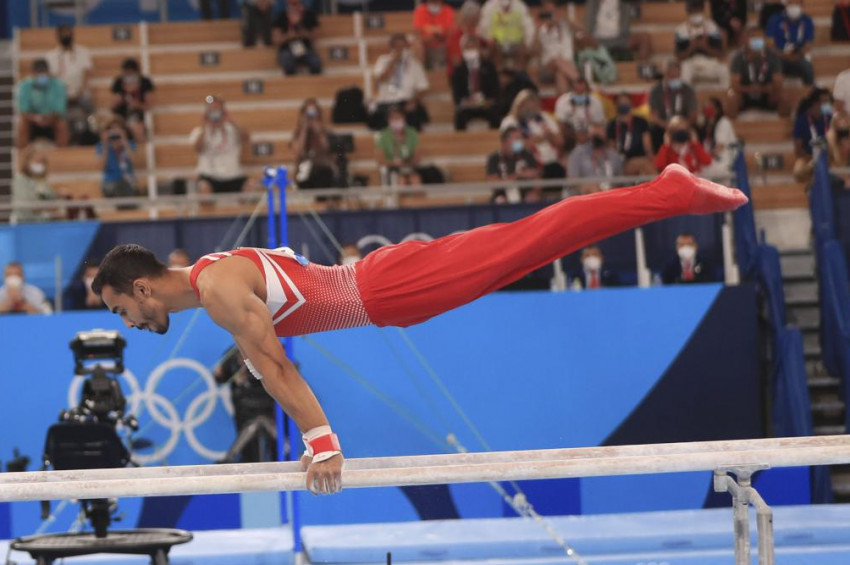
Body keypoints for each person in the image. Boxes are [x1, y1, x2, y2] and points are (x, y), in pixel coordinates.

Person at [90, 165, 748, 494]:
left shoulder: (217, 289)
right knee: (533, 246)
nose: (129, 323)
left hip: (390, 286)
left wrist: (323, 443)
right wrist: (311, 438)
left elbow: (281, 367)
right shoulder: (212, 280)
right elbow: (269, 366)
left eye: (122, 309)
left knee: (539, 236)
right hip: (394, 292)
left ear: (142, 288)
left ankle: (669, 191)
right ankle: (663, 192)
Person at [369, 34, 430, 131]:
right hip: (386, 103)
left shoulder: (415, 64)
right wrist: (393, 61)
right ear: (391, 47)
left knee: (415, 116)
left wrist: (414, 101)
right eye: (397, 46)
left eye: (403, 46)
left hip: (405, 102)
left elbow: (423, 88)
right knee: (377, 119)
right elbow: (381, 79)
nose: (400, 49)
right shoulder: (382, 61)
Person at [190, 96, 250, 194]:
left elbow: (246, 139)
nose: (215, 112)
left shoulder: (233, 130)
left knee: (250, 186)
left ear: (223, 111)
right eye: (212, 110)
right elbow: (198, 148)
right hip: (209, 176)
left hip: (233, 175)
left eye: (217, 109)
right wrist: (205, 126)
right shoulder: (199, 131)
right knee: (203, 188)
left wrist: (232, 121)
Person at [501, 89, 564, 178]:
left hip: (551, 163)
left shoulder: (545, 117)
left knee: (558, 170)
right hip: (524, 164)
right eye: (525, 106)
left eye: (533, 106)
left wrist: (550, 136)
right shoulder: (510, 122)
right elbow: (511, 148)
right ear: (518, 106)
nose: (530, 109)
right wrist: (533, 141)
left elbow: (561, 142)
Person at [726, 26, 787, 118]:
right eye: (754, 38)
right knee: (731, 96)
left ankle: (782, 124)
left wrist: (763, 89)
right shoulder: (738, 57)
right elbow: (734, 84)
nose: (757, 41)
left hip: (766, 95)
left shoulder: (773, 56)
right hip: (745, 94)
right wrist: (750, 89)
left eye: (760, 38)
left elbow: (778, 82)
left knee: (783, 96)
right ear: (747, 40)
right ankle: (731, 124)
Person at [45, 24, 94, 135]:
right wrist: (62, 95)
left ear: (73, 35)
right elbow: (50, 80)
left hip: (80, 96)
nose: (66, 36)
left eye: (68, 33)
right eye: (63, 34)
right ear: (57, 36)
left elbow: (87, 75)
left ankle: (86, 135)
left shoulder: (83, 52)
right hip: (59, 98)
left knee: (87, 112)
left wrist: (78, 93)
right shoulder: (50, 56)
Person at [451, 35, 501, 131]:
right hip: (468, 105)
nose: (471, 50)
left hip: (486, 103)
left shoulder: (489, 67)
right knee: (460, 117)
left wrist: (488, 101)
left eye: (473, 47)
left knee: (495, 114)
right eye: (468, 47)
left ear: (479, 48)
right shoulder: (459, 70)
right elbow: (456, 93)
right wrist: (466, 101)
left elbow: (495, 88)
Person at [675, 0, 729, 88]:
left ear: (702, 11)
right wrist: (691, 48)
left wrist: (705, 47)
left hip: (710, 62)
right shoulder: (681, 30)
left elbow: (720, 54)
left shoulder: (712, 27)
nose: (696, 14)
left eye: (698, 11)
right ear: (688, 12)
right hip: (690, 63)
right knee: (684, 70)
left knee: (724, 70)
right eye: (693, 11)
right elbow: (679, 57)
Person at [17, 58, 69, 149]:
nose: (40, 75)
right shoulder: (25, 86)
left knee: (62, 125)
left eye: (43, 72)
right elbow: (23, 111)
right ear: (33, 74)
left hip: (52, 121)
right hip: (33, 121)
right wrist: (36, 118)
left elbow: (60, 111)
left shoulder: (58, 85)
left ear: (48, 73)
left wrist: (47, 119)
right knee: (22, 126)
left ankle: (62, 154)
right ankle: (22, 154)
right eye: (38, 73)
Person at [648, 60, 699, 151]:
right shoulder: (656, 91)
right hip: (664, 125)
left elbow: (693, 115)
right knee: (653, 131)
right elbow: (654, 116)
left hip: (683, 126)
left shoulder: (688, 90)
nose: (674, 78)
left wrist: (681, 126)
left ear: (680, 74)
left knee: (696, 130)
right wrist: (668, 126)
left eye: (676, 75)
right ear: (665, 74)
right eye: (671, 75)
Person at [486, 125, 542, 203]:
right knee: (500, 200)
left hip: (525, 193)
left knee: (532, 198)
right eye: (517, 139)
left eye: (521, 138)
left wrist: (535, 191)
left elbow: (537, 179)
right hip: (503, 194)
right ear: (505, 141)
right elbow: (494, 184)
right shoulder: (494, 159)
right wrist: (517, 175)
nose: (520, 141)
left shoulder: (527, 155)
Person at [291, 99, 339, 189]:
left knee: (324, 174)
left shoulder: (326, 132)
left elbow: (328, 149)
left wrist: (319, 132)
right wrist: (304, 130)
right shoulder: (299, 133)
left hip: (323, 168)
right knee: (303, 174)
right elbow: (298, 152)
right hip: (305, 169)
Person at [581, 0, 651, 61]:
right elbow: (588, 25)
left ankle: (635, 70)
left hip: (620, 39)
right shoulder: (593, 1)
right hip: (597, 40)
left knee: (645, 38)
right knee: (581, 39)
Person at [766, 0, 815, 86]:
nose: (794, 6)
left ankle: (809, 90)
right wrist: (782, 54)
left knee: (807, 67)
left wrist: (797, 55)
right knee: (773, 67)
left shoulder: (807, 20)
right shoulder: (775, 19)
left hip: (798, 56)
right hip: (779, 56)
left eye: (796, 3)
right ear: (786, 4)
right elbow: (769, 43)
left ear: (802, 4)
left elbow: (808, 44)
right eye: (791, 3)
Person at [606, 92, 656, 175]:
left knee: (644, 165)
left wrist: (651, 159)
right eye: (620, 104)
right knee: (641, 163)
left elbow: (648, 147)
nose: (623, 106)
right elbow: (612, 150)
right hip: (622, 163)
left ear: (631, 105)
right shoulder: (612, 125)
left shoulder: (641, 122)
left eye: (626, 103)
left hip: (641, 160)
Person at [535, 0, 579, 95]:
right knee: (557, 61)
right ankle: (579, 81)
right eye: (548, 12)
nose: (551, 15)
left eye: (553, 11)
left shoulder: (566, 25)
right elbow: (535, 51)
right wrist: (543, 26)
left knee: (560, 74)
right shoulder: (542, 30)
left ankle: (564, 100)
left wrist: (563, 19)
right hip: (547, 68)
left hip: (566, 67)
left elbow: (582, 31)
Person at [478, 0, 536, 71]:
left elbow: (529, 27)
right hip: (497, 43)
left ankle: (519, 73)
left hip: (516, 42)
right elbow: (483, 27)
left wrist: (527, 42)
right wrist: (488, 39)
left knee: (523, 48)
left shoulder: (520, 6)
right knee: (493, 47)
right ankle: (498, 72)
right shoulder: (489, 7)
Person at [792, 87, 834, 182]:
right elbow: (798, 149)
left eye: (829, 102)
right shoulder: (801, 120)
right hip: (807, 158)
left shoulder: (830, 118)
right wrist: (813, 160)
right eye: (825, 102)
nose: (828, 105)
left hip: (827, 157)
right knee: (799, 171)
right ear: (815, 103)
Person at [567, 126, 624, 193]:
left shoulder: (613, 155)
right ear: (589, 135)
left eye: (600, 133)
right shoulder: (577, 154)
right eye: (595, 134)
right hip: (585, 194)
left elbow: (620, 180)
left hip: (609, 192)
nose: (597, 136)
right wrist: (588, 187)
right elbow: (573, 180)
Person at [11, 148, 62, 223]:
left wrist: (58, 194)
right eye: (36, 161)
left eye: (41, 162)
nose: (39, 164)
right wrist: (47, 207)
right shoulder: (20, 180)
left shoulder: (43, 181)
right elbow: (28, 206)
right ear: (27, 162)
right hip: (24, 222)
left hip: (44, 222)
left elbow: (53, 202)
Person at [110, 58, 154, 143]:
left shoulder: (145, 82)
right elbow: (112, 107)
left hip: (137, 117)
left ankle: (142, 149)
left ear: (137, 73)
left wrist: (138, 105)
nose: (128, 77)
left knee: (137, 127)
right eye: (126, 74)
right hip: (120, 117)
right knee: (114, 129)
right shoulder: (118, 83)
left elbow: (149, 106)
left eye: (131, 74)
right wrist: (118, 101)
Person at [376, 106, 423, 186]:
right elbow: (380, 160)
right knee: (401, 181)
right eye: (393, 118)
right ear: (389, 120)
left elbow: (417, 155)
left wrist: (408, 163)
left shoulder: (411, 132)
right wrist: (394, 163)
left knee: (415, 180)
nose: (396, 120)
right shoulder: (383, 136)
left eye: (398, 117)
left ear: (404, 118)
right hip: (392, 168)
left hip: (409, 167)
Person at [554, 76, 606, 148]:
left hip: (590, 135)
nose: (579, 93)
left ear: (588, 90)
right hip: (570, 136)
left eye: (582, 91)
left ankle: (597, 153)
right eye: (577, 90)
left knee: (601, 134)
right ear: (572, 89)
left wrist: (588, 135)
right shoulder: (562, 101)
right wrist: (574, 136)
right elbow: (561, 126)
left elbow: (599, 125)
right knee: (560, 137)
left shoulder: (596, 102)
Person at [273, 0, 322, 76]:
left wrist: (305, 34)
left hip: (306, 48)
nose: (294, 6)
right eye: (292, 4)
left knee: (316, 63)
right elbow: (276, 40)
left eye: (296, 4)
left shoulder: (309, 14)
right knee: (288, 63)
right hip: (287, 49)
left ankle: (315, 82)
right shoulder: (281, 16)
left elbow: (316, 36)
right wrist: (288, 36)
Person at [97, 115, 138, 198]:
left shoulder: (129, 145)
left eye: (118, 130)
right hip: (110, 183)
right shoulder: (103, 147)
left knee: (126, 186)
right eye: (112, 130)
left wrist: (124, 142)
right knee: (119, 186)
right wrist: (105, 145)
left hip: (128, 182)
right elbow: (100, 167)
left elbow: (135, 162)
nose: (115, 134)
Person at [698, 97, 738, 176]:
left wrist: (707, 158)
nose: (708, 109)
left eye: (710, 106)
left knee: (702, 174)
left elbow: (720, 146)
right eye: (706, 106)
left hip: (724, 161)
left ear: (717, 109)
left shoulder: (724, 122)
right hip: (715, 160)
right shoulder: (708, 125)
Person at [413, 0, 456, 70]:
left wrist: (438, 38)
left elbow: (450, 33)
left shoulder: (448, 10)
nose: (434, 2)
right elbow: (418, 33)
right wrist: (431, 38)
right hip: (426, 45)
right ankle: (420, 71)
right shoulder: (420, 10)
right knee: (417, 45)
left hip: (443, 44)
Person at [447, 1, 484, 75]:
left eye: (476, 22)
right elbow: (456, 60)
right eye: (473, 22)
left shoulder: (477, 35)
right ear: (465, 20)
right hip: (459, 74)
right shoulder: (455, 37)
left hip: (477, 71)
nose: (475, 25)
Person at [827, 112, 850, 189]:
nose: (842, 124)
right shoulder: (830, 141)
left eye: (845, 122)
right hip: (836, 175)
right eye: (839, 122)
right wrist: (844, 177)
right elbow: (830, 164)